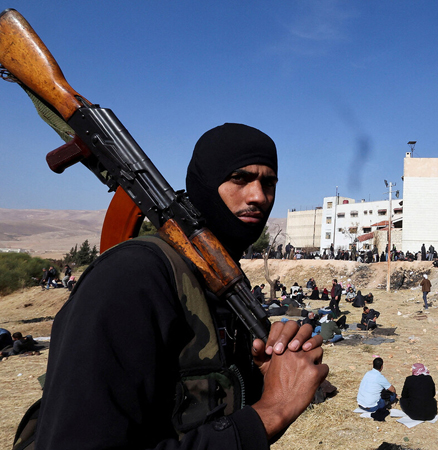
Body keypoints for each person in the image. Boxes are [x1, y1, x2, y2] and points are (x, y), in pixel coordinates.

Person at [35, 123, 328, 449]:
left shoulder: (224, 284)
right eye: (239, 178)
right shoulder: (133, 276)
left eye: (268, 183)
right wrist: (271, 412)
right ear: (206, 183)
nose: (258, 196)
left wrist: (267, 380)